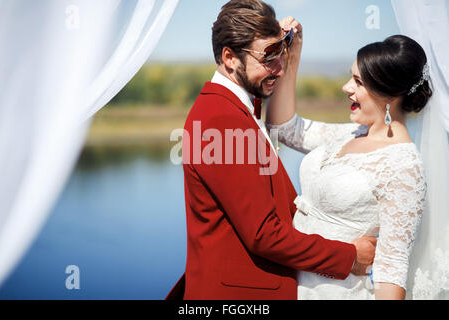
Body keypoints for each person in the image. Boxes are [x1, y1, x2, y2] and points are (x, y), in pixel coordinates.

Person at [165, 0, 376, 300]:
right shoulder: (222, 120)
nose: (278, 67)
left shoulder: (234, 108)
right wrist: (349, 256)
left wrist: (291, 49)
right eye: (268, 57)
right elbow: (264, 235)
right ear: (229, 57)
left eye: (281, 53)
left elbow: (281, 122)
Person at [266, 20, 431, 299]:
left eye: (358, 82)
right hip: (288, 282)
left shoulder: (405, 167)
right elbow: (284, 128)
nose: (345, 87)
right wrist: (292, 57)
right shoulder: (348, 134)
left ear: (389, 94)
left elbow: (391, 268)